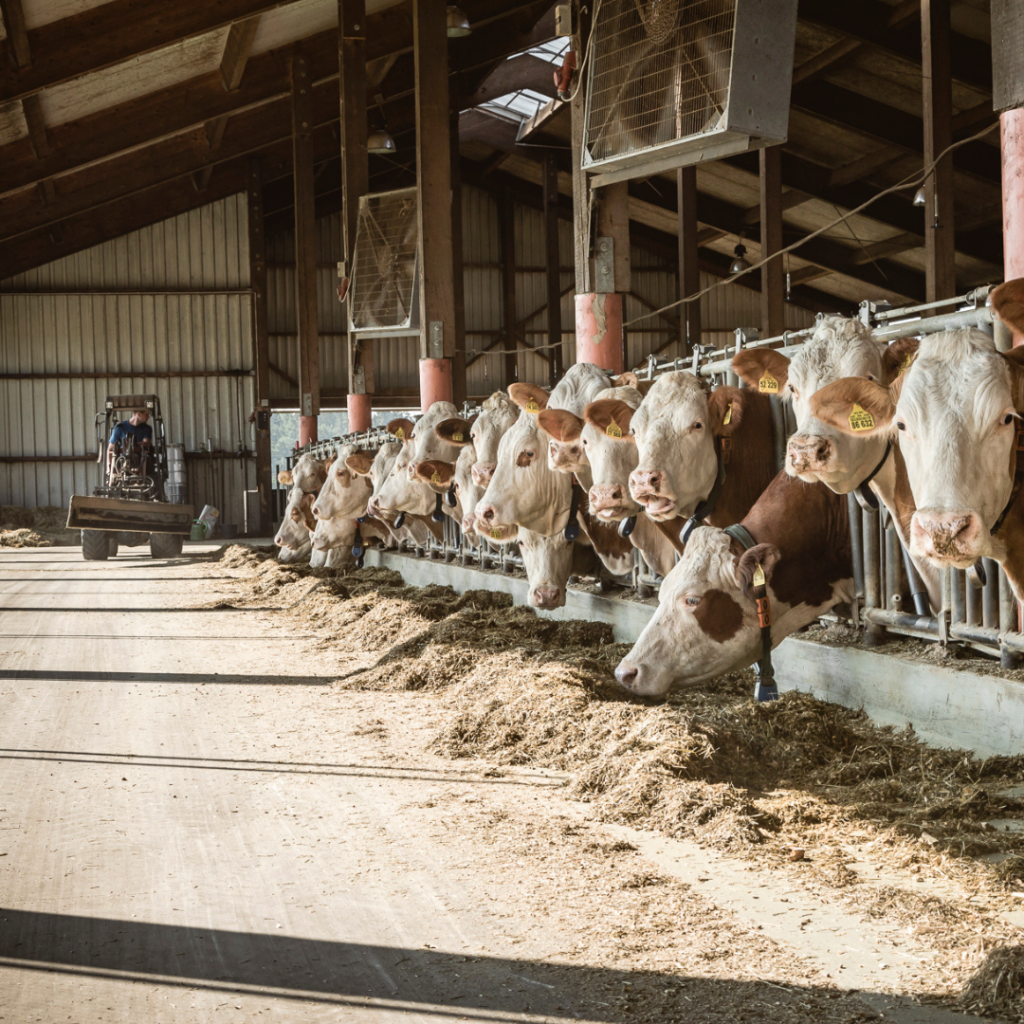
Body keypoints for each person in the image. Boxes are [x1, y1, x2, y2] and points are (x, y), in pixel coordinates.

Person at [107, 409, 152, 480]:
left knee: (148, 459)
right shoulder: (120, 428)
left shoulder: (147, 428)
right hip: (122, 461)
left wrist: (134, 445)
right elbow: (110, 449)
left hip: (140, 459)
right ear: (138, 414)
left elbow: (146, 444)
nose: (148, 417)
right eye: (146, 415)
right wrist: (109, 468)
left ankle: (146, 480)